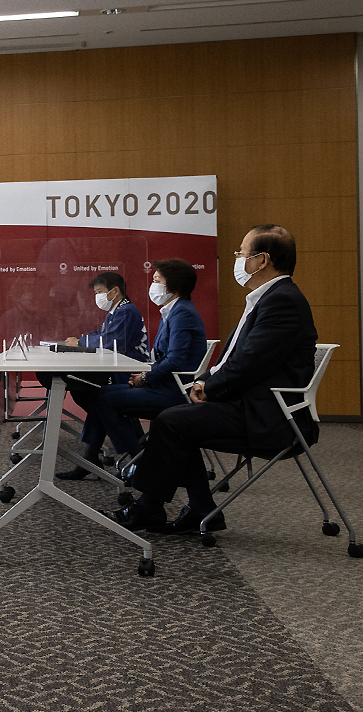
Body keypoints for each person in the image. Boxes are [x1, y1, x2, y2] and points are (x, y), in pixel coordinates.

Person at [106, 225, 318, 533]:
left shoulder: (282, 301)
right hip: (250, 404)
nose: (237, 259)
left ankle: (150, 508)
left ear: (262, 261)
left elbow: (250, 363)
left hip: (270, 416)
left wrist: (210, 388)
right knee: (179, 420)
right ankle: (199, 509)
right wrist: (203, 382)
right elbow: (232, 358)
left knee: (173, 421)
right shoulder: (268, 298)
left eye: (242, 253)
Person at [81, 259, 208, 459]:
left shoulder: (182, 313)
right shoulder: (172, 311)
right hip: (162, 383)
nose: (152, 285)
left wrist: (145, 377)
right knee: (100, 393)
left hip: (173, 390)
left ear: (172, 285)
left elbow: (175, 359)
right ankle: (91, 457)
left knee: (104, 399)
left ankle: (139, 459)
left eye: (157, 280)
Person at [51, 271, 149, 480]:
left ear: (114, 291)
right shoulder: (117, 311)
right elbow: (100, 334)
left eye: (99, 292)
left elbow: (112, 342)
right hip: (119, 368)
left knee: (94, 397)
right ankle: (92, 457)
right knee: (90, 395)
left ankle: (135, 456)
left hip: (129, 371)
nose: (97, 297)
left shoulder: (127, 311)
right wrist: (81, 339)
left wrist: (80, 342)